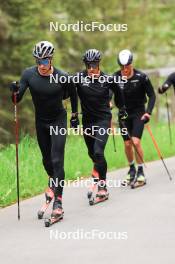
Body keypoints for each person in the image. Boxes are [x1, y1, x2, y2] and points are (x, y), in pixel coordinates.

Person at [10, 41, 78, 222]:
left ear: (51, 60)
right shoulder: (28, 74)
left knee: (57, 160)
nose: (42, 66)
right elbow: (17, 99)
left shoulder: (62, 76)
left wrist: (75, 116)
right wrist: (14, 91)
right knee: (47, 161)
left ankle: (58, 204)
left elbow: (73, 94)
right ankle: (52, 182)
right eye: (39, 61)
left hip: (58, 121)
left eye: (45, 62)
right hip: (41, 123)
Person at [74, 49, 127, 203]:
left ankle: (103, 187)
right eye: (88, 65)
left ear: (99, 64)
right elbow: (68, 91)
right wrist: (73, 116)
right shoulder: (78, 78)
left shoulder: (107, 79)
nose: (91, 68)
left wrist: (122, 109)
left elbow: (119, 92)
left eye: (94, 64)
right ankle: (97, 169)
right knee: (91, 153)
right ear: (85, 64)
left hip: (103, 120)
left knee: (98, 152)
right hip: (88, 121)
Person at [113, 49, 156, 187]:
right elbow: (108, 93)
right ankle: (131, 169)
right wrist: (107, 102)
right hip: (123, 114)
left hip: (138, 113)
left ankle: (141, 171)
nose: (125, 69)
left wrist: (148, 112)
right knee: (127, 144)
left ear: (131, 63)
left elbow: (152, 96)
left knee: (136, 142)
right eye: (122, 66)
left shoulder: (141, 77)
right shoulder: (115, 77)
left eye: (127, 66)